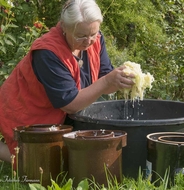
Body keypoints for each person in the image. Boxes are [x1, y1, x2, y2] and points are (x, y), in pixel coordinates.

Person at [0, 0, 134, 163]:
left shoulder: (96, 39)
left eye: (93, 34)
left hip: (63, 114)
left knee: (79, 158)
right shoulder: (47, 52)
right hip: (28, 111)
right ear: (64, 27)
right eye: (81, 36)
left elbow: (103, 79)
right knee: (40, 165)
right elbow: (69, 103)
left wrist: (120, 80)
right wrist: (107, 82)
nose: (89, 41)